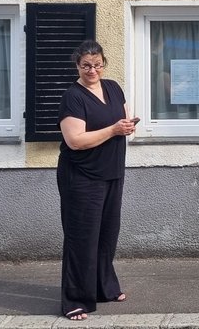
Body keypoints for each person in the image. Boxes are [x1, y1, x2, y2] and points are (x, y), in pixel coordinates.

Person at [57, 40, 137, 321]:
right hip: (81, 176)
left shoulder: (113, 87)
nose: (93, 70)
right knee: (82, 238)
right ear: (77, 66)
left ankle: (104, 287)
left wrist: (126, 127)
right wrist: (114, 129)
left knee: (106, 235)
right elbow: (75, 140)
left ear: (104, 64)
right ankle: (75, 300)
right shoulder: (73, 96)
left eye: (98, 64)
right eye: (86, 65)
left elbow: (123, 119)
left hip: (112, 171)